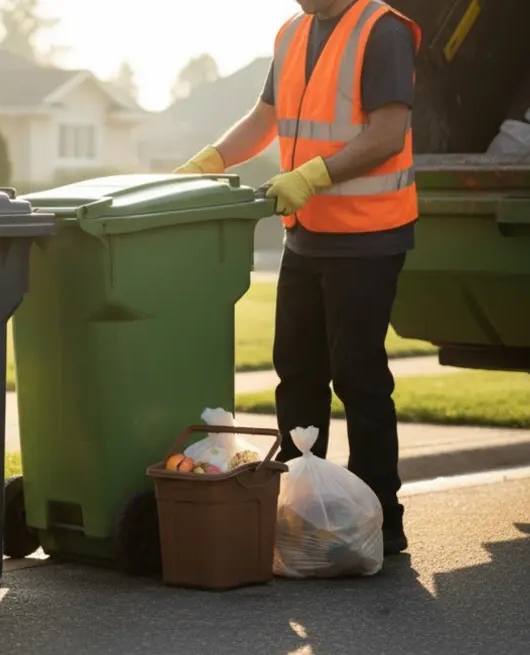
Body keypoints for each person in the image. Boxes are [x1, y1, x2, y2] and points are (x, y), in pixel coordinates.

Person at [174, 0, 422, 555]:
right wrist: (207, 163)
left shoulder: (382, 31)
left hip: (368, 235)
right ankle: (301, 515)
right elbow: (264, 120)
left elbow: (388, 133)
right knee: (297, 374)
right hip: (306, 232)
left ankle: (381, 521)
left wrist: (312, 175)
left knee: (358, 376)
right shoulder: (292, 33)